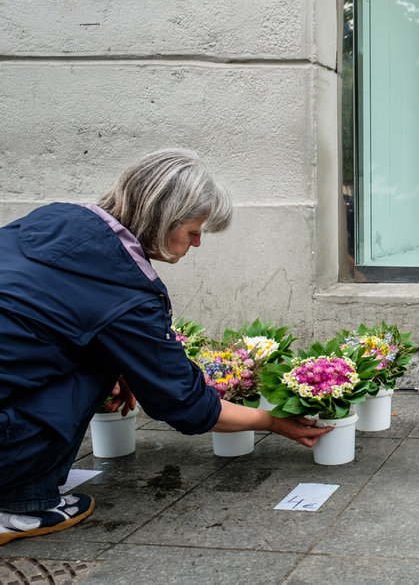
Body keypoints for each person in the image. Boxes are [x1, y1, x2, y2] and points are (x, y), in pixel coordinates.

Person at [0, 148, 331, 546]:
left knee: (100, 351)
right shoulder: (125, 290)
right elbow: (185, 404)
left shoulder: (56, 220)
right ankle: (21, 508)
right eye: (193, 231)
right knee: (96, 362)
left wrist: (124, 365)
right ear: (162, 219)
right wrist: (276, 423)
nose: (197, 243)